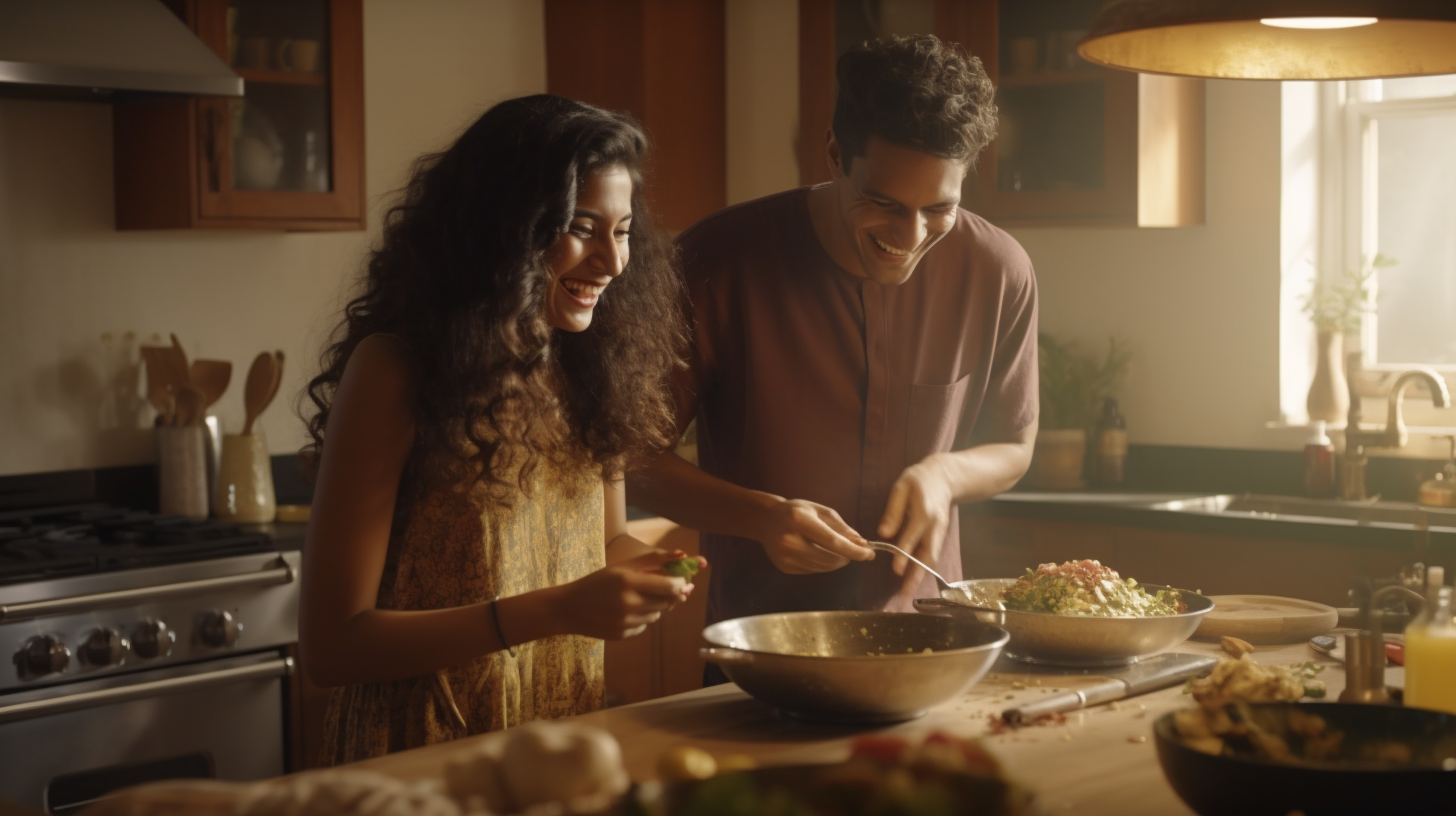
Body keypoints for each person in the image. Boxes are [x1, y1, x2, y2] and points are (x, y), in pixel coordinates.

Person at [299, 94, 700, 763]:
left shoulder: (589, 370)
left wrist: (651, 573)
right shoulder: (397, 370)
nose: (612, 261)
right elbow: (333, 645)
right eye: (581, 226)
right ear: (505, 229)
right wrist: (559, 611)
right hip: (422, 765)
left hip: (555, 749)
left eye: (623, 230)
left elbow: (605, 546)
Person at [628, 34, 1038, 679]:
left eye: (940, 209)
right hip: (759, 650)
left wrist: (945, 475)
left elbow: (1016, 444)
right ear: (833, 154)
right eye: (884, 204)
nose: (910, 237)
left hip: (938, 647)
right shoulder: (716, 262)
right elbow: (629, 456)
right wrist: (760, 518)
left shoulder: (998, 270)